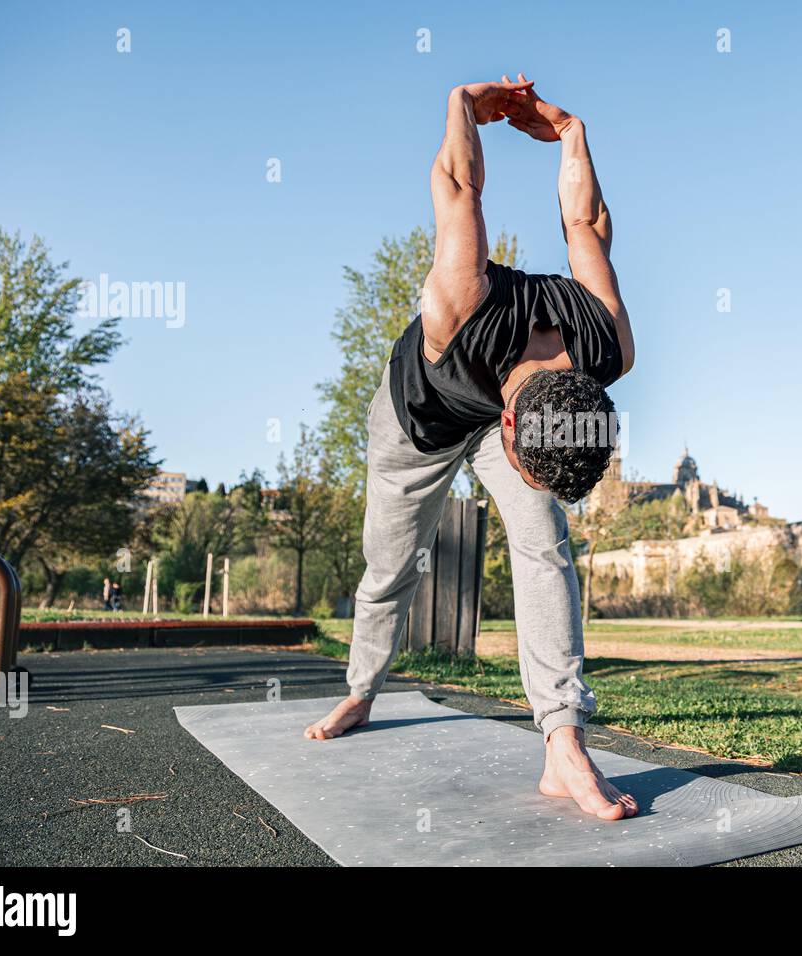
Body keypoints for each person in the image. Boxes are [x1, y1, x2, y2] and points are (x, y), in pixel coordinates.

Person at [304, 76, 637, 821]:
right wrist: (462, 103)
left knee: (543, 539)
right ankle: (360, 690)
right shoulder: (458, 303)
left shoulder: (605, 344)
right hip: (416, 422)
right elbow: (459, 183)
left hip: (498, 410)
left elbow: (586, 223)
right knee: (389, 564)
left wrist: (574, 131)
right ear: (515, 432)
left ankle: (563, 742)